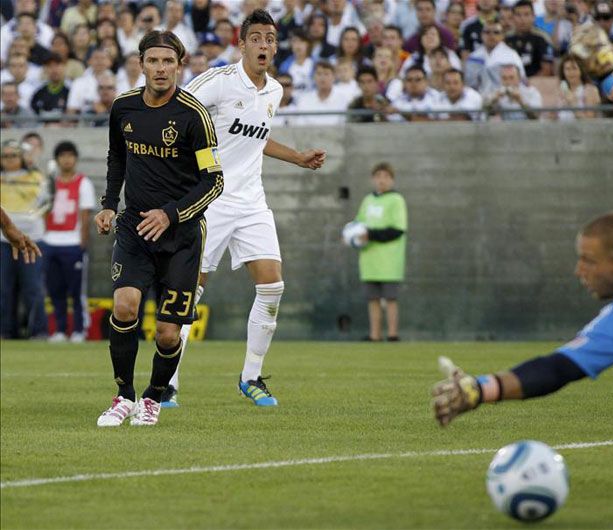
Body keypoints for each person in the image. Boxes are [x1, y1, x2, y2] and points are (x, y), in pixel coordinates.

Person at [432, 23, 613, 427]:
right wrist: (610, 75)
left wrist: (479, 388)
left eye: (589, 261)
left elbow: (559, 369)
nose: (579, 271)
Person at [160, 9, 326, 408]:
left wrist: (299, 157)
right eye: (257, 38)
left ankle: (251, 377)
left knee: (272, 287)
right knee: (188, 293)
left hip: (252, 202)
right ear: (242, 43)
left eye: (271, 38)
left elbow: (258, 139)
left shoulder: (274, 91)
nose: (265, 44)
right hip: (209, 201)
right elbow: (175, 115)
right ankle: (168, 383)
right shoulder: (217, 82)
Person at [94, 30, 224, 427]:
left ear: (179, 66)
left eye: (168, 62)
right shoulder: (123, 108)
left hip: (182, 236)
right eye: (153, 61)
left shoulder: (193, 115)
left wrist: (170, 213)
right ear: (141, 64)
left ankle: (152, 397)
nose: (161, 69)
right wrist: (108, 205)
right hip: (134, 227)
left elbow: (213, 181)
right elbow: (117, 158)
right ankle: (122, 396)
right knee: (124, 306)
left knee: (168, 335)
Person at [44, 141, 96, 343]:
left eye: (70, 155)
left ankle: (79, 330)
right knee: (55, 289)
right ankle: (59, 329)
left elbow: (85, 215)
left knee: (76, 291)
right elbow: (42, 210)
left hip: (72, 242)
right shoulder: (49, 183)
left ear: (75, 158)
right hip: (50, 241)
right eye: (62, 156)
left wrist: (82, 243)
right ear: (56, 159)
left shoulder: (84, 183)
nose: (66, 159)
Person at [0, 139, 50, 339]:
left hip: (33, 238)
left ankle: (38, 331)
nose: (9, 160)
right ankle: (5, 331)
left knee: (33, 287)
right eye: (5, 156)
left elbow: (42, 205)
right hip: (3, 241)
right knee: (3, 289)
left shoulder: (36, 177)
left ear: (21, 157)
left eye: (13, 155)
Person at [353, 162, 408, 342]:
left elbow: (397, 229)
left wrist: (371, 234)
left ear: (392, 179)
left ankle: (392, 334)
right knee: (373, 299)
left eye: (385, 177)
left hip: (389, 261)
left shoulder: (396, 200)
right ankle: (374, 335)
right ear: (373, 179)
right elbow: (358, 224)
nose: (381, 180)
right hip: (369, 261)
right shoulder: (368, 200)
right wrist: (350, 235)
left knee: (390, 299)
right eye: (378, 177)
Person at [556, 53, 601, 120]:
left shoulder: (590, 90)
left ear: (581, 70)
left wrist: (573, 105)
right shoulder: (561, 91)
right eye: (567, 69)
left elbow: (590, 121)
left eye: (574, 68)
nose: (571, 72)